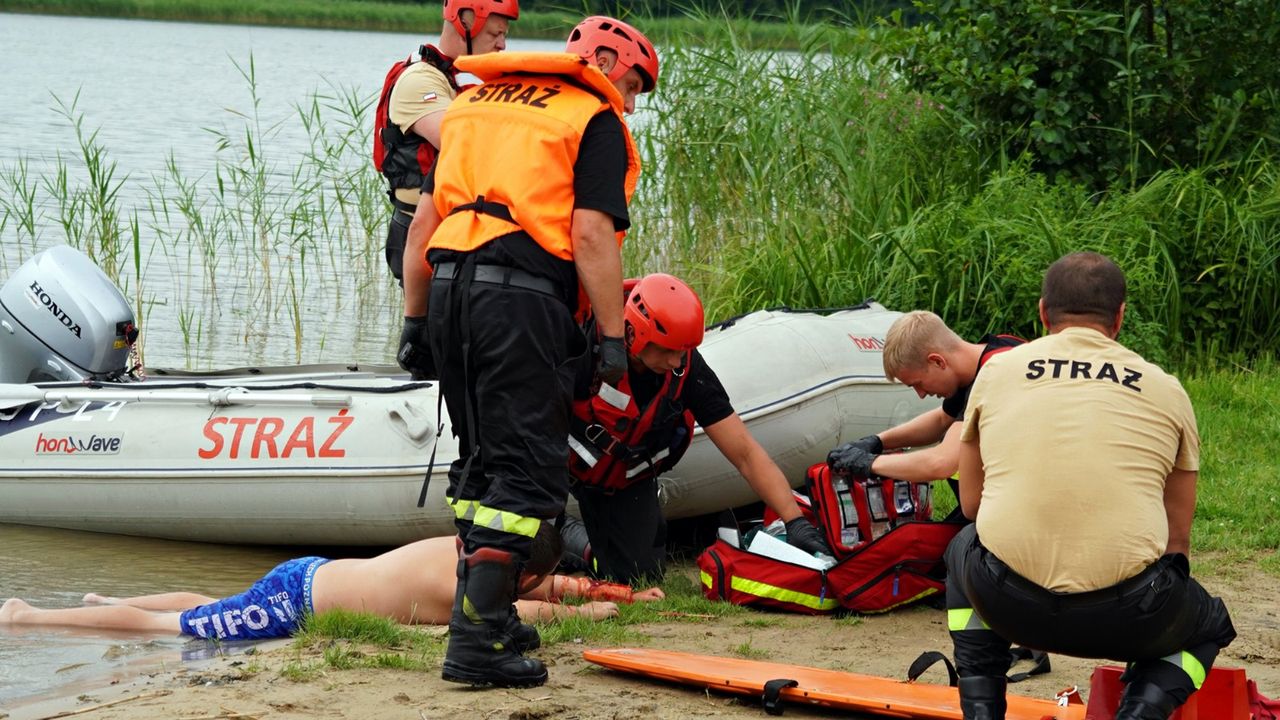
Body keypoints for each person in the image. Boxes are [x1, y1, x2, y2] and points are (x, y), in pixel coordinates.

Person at [396, 16, 660, 689]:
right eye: (632, 83)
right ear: (604, 60)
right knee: (527, 476)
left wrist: (415, 321)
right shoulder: (589, 115)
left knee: (480, 462)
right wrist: (608, 338)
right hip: (520, 299)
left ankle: (486, 615)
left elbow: (425, 223)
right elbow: (593, 234)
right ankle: (478, 638)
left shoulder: (474, 103)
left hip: (451, 289)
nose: (629, 102)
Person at [945, 252, 1235, 720]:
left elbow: (973, 504)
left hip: (1006, 602)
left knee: (963, 547)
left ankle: (981, 710)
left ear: (1043, 312)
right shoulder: (1166, 388)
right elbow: (1176, 541)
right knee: (1209, 627)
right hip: (1128, 616)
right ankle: (1139, 713)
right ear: (1120, 316)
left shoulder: (997, 372)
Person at [561, 273, 832, 584]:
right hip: (556, 462)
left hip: (619, 479)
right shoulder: (584, 346)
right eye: (667, 350)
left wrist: (795, 521)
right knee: (532, 535)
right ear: (634, 335)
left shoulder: (687, 368)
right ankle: (553, 527)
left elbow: (744, 452)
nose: (677, 361)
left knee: (639, 577)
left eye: (682, 351)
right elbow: (532, 420)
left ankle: (578, 541)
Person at [0, 526, 663, 638]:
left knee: (209, 604)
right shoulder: (468, 589)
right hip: (295, 604)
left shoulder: (468, 548)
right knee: (166, 629)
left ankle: (105, 599)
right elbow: (539, 613)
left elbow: (548, 592)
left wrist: (624, 595)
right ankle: (31, 618)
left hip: (309, 574)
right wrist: (605, 616)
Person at [376, 0, 517, 286]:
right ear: (464, 21)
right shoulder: (419, 80)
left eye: (504, 35)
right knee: (431, 329)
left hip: (449, 228)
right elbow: (461, 141)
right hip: (418, 227)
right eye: (494, 35)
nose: (502, 45)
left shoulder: (446, 79)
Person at [826, 310, 1022, 484]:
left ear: (937, 361)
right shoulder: (1000, 350)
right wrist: (877, 441)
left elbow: (942, 463)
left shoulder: (993, 377)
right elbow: (941, 419)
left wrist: (870, 463)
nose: (921, 394)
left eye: (918, 384)